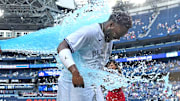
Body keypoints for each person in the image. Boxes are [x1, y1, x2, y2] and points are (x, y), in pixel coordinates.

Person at [57, 11, 132, 101]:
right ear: (111, 25)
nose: (118, 38)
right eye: (117, 34)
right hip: (74, 83)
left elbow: (96, 63)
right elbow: (62, 47)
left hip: (92, 83)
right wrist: (74, 71)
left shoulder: (109, 39)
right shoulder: (90, 31)